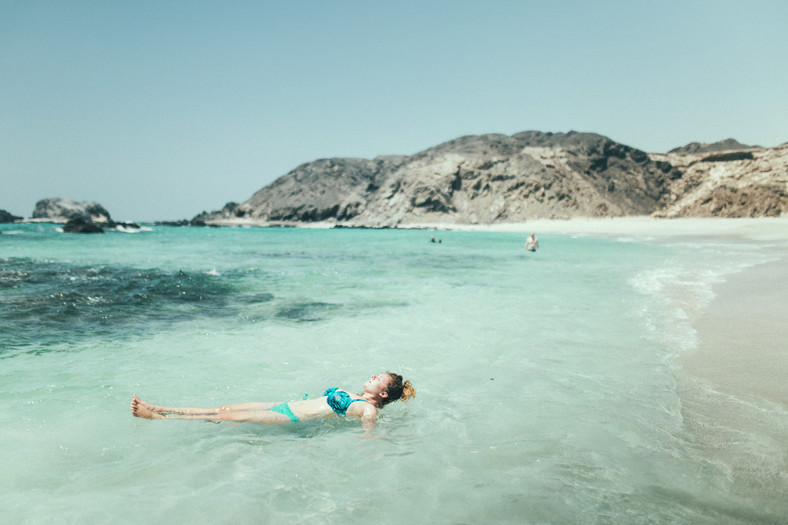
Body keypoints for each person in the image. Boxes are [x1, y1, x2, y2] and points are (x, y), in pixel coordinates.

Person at [131, 372, 414, 429]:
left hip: (288, 418)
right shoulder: (355, 395)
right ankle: (160, 407)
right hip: (282, 404)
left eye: (379, 378)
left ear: (383, 394)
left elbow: (369, 436)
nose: (373, 375)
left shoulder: (368, 409)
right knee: (223, 408)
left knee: (224, 417)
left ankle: (156, 418)